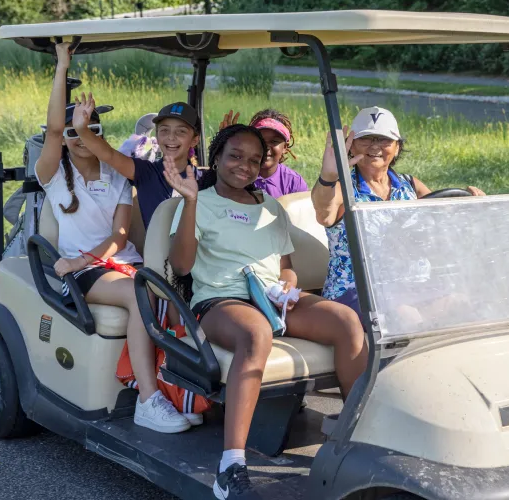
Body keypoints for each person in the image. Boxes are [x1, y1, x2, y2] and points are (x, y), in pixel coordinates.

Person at [165, 124, 366, 499]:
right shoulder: (197, 202)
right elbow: (181, 265)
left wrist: (288, 284)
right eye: (235, 156)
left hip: (271, 299)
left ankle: (356, 440)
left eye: (254, 160)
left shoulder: (271, 208)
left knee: (347, 321)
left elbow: (285, 265)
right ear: (218, 158)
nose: (244, 166)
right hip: (221, 301)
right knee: (255, 332)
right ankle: (230, 466)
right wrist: (190, 202)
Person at [35, 42, 190, 434]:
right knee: (141, 293)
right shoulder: (52, 174)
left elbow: (121, 236)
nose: (78, 138)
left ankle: (177, 393)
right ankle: (148, 400)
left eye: (89, 131)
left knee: (169, 296)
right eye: (72, 133)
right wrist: (62, 66)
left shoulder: (116, 177)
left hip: (123, 262)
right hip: (83, 270)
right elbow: (55, 127)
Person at [311, 106, 485, 315]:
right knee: (404, 316)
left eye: (384, 139)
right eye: (366, 139)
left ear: (397, 147)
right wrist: (328, 177)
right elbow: (323, 212)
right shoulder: (342, 188)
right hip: (356, 290)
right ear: (351, 146)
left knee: (461, 303)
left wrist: (473, 208)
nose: (375, 146)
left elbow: (442, 221)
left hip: (411, 287)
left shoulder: (409, 185)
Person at [74, 96, 203, 230]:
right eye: (164, 130)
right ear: (157, 136)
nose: (171, 137)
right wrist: (82, 130)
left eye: (181, 131)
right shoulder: (145, 172)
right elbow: (109, 154)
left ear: (195, 140)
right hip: (156, 250)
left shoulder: (205, 179)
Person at [219, 109, 308, 198]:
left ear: (285, 147)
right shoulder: (236, 172)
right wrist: (227, 145)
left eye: (274, 141)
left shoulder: (294, 182)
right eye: (260, 140)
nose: (266, 147)